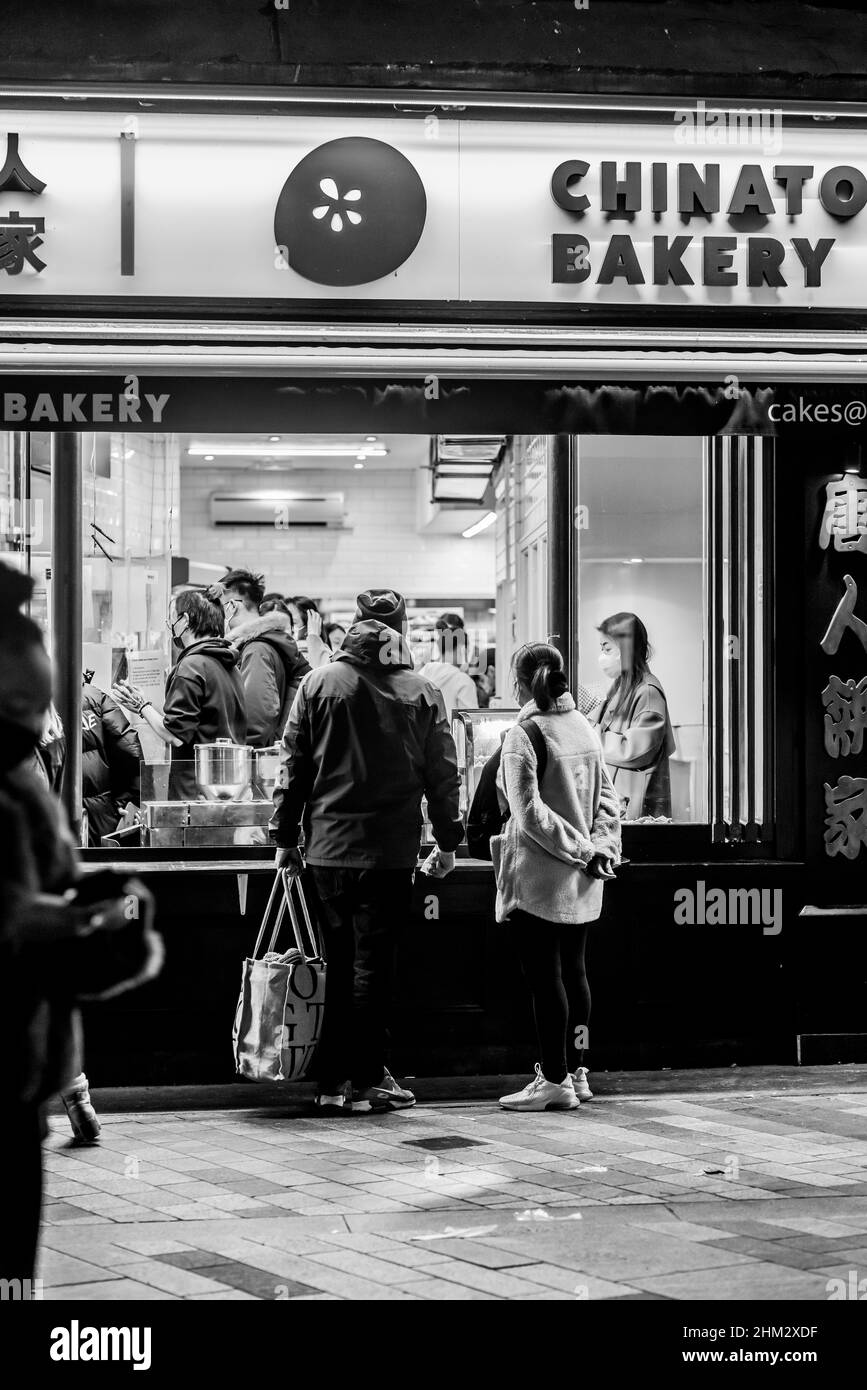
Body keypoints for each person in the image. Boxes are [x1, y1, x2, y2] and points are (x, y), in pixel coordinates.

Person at [0, 564, 162, 1286]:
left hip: (20, 1071)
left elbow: (55, 903)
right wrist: (78, 925)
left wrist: (103, 914)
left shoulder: (19, 782)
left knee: (13, 1273)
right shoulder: (15, 785)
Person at [271, 587, 464, 1115]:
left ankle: (330, 1083)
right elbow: (444, 777)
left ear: (355, 624)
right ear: (399, 630)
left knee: (333, 964)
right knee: (373, 970)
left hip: (328, 852)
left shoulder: (318, 682)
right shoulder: (423, 691)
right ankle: (365, 1082)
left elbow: (293, 768)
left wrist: (285, 838)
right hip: (390, 855)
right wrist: (448, 843)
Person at [494, 642, 621, 1113]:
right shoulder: (583, 726)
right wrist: (601, 849)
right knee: (576, 972)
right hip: (585, 879)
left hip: (542, 879)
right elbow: (609, 800)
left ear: (520, 684)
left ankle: (553, 1078)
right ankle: (577, 1071)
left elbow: (528, 815)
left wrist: (582, 851)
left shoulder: (523, 733)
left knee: (546, 981)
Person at [112, 588, 246, 801]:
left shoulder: (190, 667)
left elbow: (175, 735)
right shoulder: (229, 666)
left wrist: (141, 705)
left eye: (171, 619)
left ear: (184, 620)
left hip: (194, 797)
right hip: (227, 792)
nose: (169, 626)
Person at [587, 612, 676, 820]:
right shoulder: (622, 688)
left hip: (635, 811)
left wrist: (592, 734)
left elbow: (634, 751)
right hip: (617, 803)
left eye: (607, 649)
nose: (602, 656)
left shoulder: (648, 692)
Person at [218, 568, 311, 747]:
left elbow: (256, 721)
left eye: (220, 606)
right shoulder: (262, 644)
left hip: (257, 760)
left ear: (232, 606)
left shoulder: (257, 650)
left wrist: (244, 755)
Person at [81, 681, 143, 844]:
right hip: (101, 815)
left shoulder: (30, 705)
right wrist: (125, 803)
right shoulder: (94, 697)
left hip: (48, 816)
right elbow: (129, 751)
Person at [419, 615, 479, 720]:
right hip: (450, 736)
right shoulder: (464, 681)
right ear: (462, 648)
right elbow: (471, 724)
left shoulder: (422, 674)